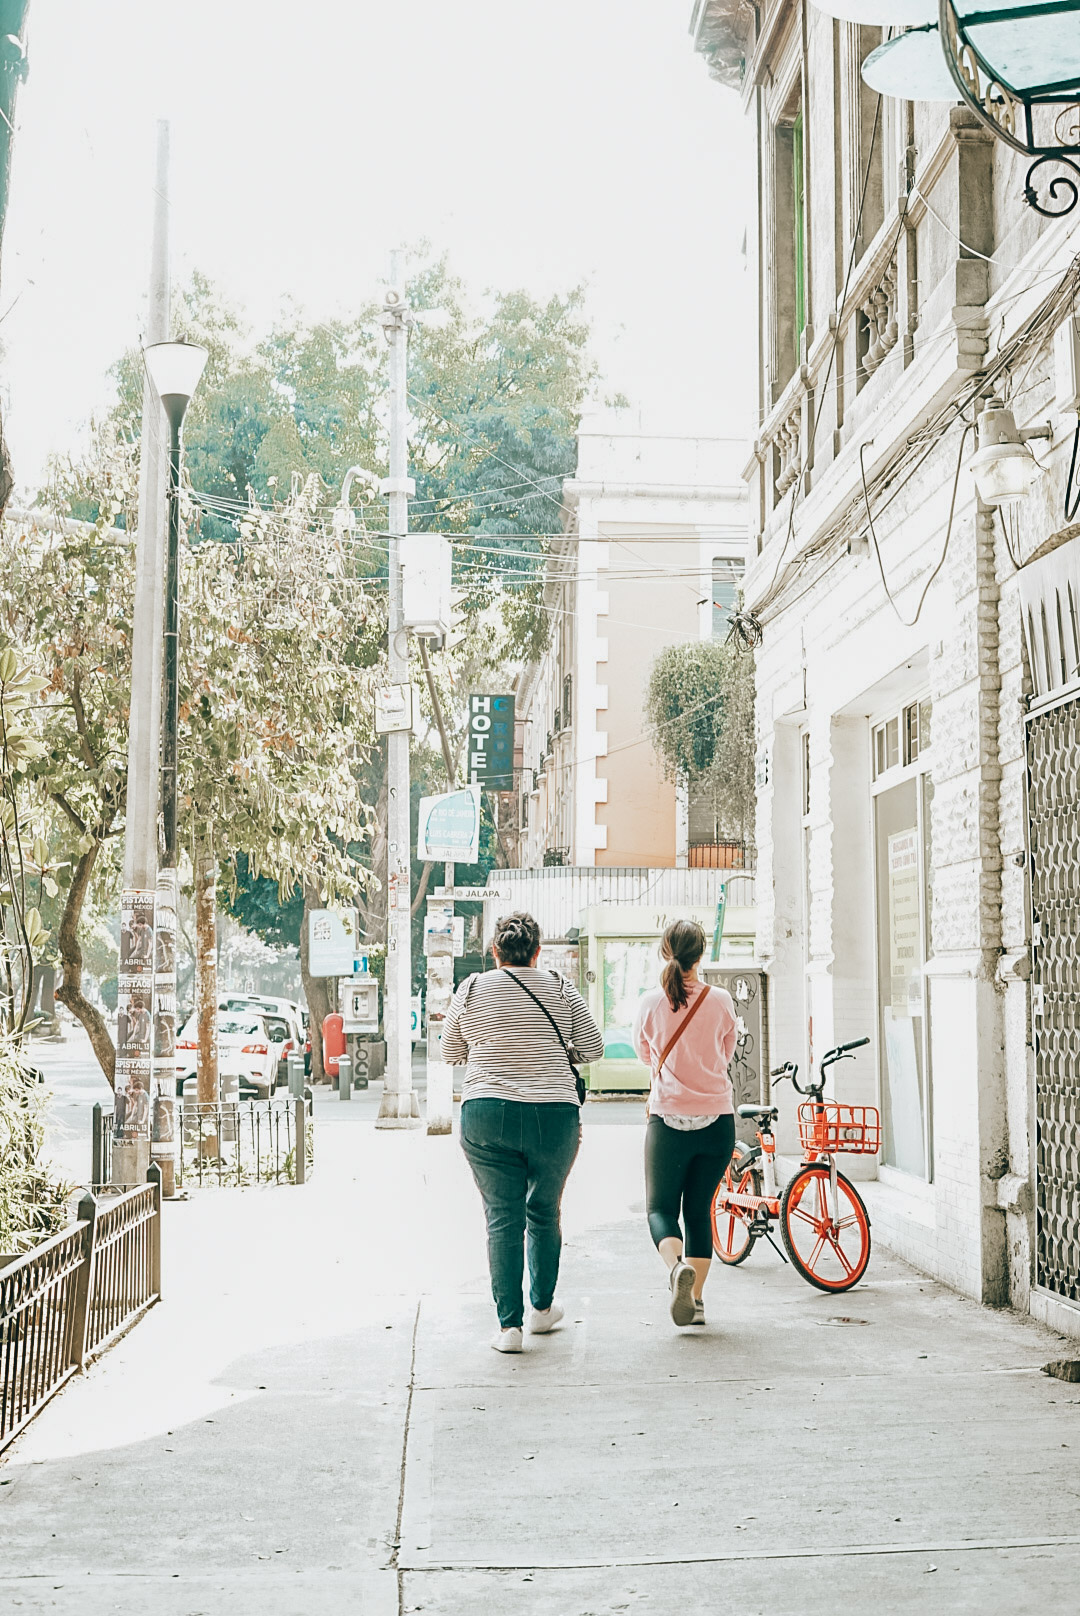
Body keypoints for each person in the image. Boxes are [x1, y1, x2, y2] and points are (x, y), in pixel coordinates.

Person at [442, 911, 605, 1354]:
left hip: (485, 1113)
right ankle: (542, 1309)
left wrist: (490, 1043)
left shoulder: (472, 988)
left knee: (502, 1218)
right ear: (537, 953)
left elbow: (449, 1049)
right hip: (553, 1116)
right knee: (544, 1210)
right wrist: (557, 1045)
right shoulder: (558, 986)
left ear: (495, 953)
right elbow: (593, 1047)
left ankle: (508, 1328)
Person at [632, 919, 737, 1328]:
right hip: (717, 1120)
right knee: (698, 1211)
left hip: (667, 1118)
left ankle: (676, 1268)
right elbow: (725, 1053)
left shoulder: (650, 1002)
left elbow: (645, 1054)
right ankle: (695, 1302)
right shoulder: (722, 1000)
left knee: (660, 1208)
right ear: (702, 952)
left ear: (665, 951)